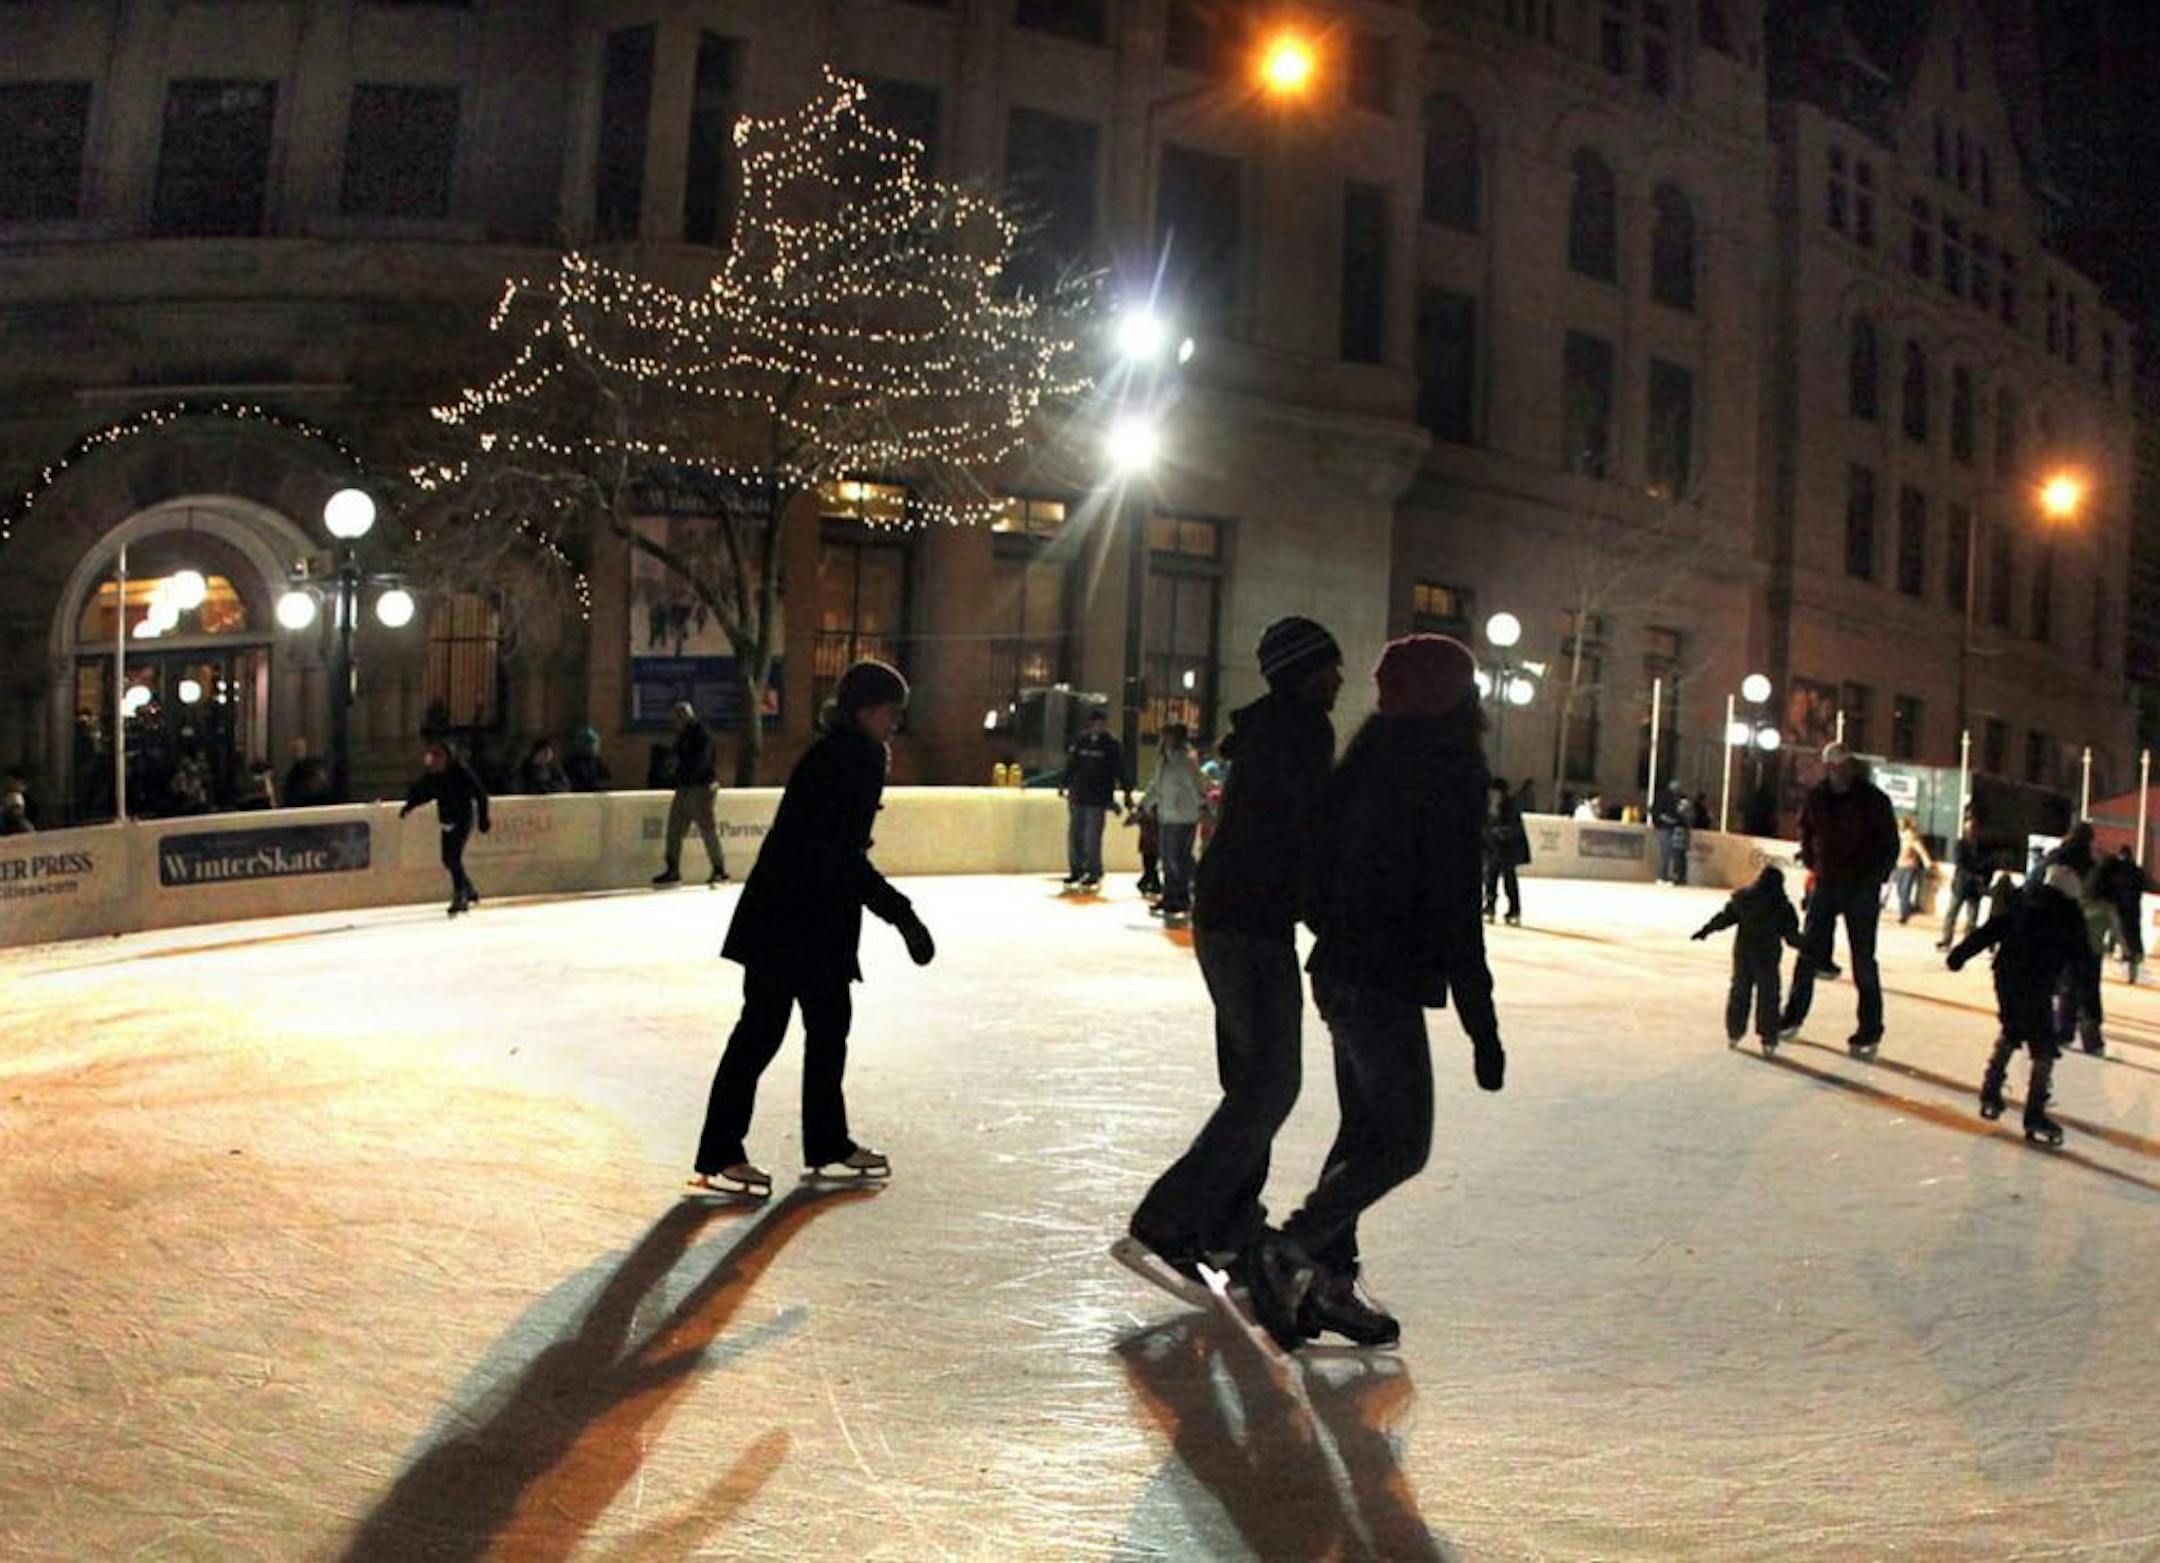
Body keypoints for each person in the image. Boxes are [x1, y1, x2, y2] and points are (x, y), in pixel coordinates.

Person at [1241, 634, 1505, 1352]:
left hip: (1340, 969)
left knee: (1363, 1135)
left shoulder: (1368, 754)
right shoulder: (1449, 770)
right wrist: (1482, 1025)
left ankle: (1329, 1280)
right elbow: (1455, 910)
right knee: (1402, 1144)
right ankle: (1286, 1250)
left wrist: (1338, 931)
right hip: (1379, 980)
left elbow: (1311, 866)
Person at [1119, 617, 1342, 1308]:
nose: (1341, 677)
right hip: (1251, 922)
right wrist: (1331, 917)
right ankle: (1169, 1217)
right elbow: (1303, 835)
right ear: (1306, 671)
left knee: (1253, 1080)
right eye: (1331, 666)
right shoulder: (1303, 730)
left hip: (1231, 916)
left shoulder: (1270, 730)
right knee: (1271, 1082)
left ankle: (1227, 1221)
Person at [691, 660, 936, 1197]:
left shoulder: (846, 751)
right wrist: (901, 914)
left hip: (805, 917)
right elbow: (839, 854)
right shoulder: (852, 758)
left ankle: (826, 1143)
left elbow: (838, 853)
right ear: (868, 710)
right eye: (892, 711)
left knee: (826, 1029)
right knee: (763, 1032)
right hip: (788, 919)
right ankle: (722, 1151)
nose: (896, 722)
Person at [1946, 865, 2093, 1146]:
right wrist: (2090, 1008)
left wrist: (1959, 955)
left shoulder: (2026, 902)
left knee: (2012, 1029)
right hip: (2037, 983)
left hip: (2007, 977)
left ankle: (1991, 1089)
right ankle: (2035, 1111)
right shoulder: (2070, 915)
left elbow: (1993, 928)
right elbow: (2084, 963)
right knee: (2043, 1046)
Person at [1777, 743, 1899, 1054]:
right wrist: (1812, 862)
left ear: (1851, 767)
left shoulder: (1873, 800)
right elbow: (1806, 831)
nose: (1838, 772)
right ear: (1827, 768)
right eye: (1832, 767)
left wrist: (1875, 878)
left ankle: (1870, 1029)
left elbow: (1889, 843)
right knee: (1808, 955)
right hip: (1827, 883)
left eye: (1843, 766)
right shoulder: (1817, 798)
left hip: (1861, 888)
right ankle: (1792, 1016)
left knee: (1864, 961)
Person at [1692, 864, 1804, 1052]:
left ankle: (1734, 1032)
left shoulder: (1743, 900)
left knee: (1739, 993)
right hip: (1767, 958)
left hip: (1744, 956)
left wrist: (1706, 930)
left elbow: (1724, 918)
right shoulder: (1782, 907)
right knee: (1769, 997)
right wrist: (1811, 945)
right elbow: (1791, 937)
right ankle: (1768, 1039)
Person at [399, 741, 491, 915]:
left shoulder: (461, 772)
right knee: (447, 859)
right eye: (433, 757)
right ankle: (468, 889)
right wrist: (409, 806)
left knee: (453, 857)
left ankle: (460, 896)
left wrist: (483, 818)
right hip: (447, 819)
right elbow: (423, 792)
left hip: (463, 818)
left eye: (439, 756)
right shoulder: (433, 776)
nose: (435, 761)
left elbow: (480, 793)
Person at [654, 702, 727, 886]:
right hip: (685, 787)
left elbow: (701, 761)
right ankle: (673, 869)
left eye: (677, 717)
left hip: (700, 787)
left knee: (707, 829)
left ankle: (719, 869)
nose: (675, 722)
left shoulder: (700, 734)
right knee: (674, 830)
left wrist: (682, 774)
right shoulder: (684, 736)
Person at [1142, 723, 1206, 924]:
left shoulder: (1186, 760)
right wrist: (1143, 807)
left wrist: (1203, 807)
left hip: (1184, 815)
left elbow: (1196, 785)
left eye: (1167, 735)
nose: (1163, 739)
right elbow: (1155, 786)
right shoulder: (1164, 759)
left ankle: (1182, 897)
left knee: (1178, 857)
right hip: (1167, 814)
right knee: (1167, 857)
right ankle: (1170, 895)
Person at [1059, 707, 1129, 891]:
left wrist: (1126, 790)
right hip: (1079, 795)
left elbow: (1121, 769)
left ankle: (1093, 870)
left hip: (1098, 798)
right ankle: (1076, 869)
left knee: (1092, 836)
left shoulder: (1111, 746)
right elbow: (1072, 764)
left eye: (1102, 723)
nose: (1099, 726)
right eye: (1096, 723)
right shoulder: (1082, 742)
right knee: (1075, 834)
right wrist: (1064, 783)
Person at [2091, 845, 2152, 985]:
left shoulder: (2115, 867)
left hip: (2115, 906)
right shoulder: (2137, 871)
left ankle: (2111, 958)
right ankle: (2132, 972)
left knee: (2107, 935)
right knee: (2133, 939)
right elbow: (2148, 885)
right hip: (2133, 909)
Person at [1935, 815, 1990, 950]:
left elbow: (1989, 865)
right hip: (1962, 884)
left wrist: (1982, 879)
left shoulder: (1984, 847)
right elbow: (1961, 865)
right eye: (1970, 827)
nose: (1972, 830)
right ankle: (1946, 940)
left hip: (1975, 887)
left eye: (1974, 827)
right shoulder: (1961, 844)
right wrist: (1975, 876)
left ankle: (1967, 944)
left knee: (1972, 918)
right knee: (1952, 914)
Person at [1481, 776, 1530, 925]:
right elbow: (1483, 825)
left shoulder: (1510, 806)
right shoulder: (1487, 805)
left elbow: (1515, 828)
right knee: (1490, 878)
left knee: (1509, 880)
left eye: (1495, 792)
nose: (1493, 795)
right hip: (1493, 849)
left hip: (1508, 849)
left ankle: (1514, 910)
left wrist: (1500, 832)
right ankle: (1489, 907)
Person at [1892, 818, 1934, 924]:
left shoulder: (1911, 837)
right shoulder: (1898, 836)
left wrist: (1928, 863)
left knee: (1905, 890)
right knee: (1900, 890)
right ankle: (1907, 908)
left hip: (1909, 867)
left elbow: (1921, 851)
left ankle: (1903, 915)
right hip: (1899, 866)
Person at [1651, 783, 1691, 886]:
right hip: (1664, 828)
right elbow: (1658, 812)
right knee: (1666, 852)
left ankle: (1667, 876)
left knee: (1670, 853)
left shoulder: (1673, 799)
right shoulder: (1668, 798)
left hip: (1669, 828)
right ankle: (1662, 876)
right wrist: (1666, 819)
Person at [283, 736, 333, 807]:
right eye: (295, 749)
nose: (297, 752)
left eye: (299, 749)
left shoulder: (315, 768)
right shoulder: (292, 775)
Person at [563, 725, 612, 792]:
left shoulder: (596, 761)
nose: (596, 748)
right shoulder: (574, 763)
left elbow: (606, 778)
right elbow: (580, 783)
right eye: (594, 745)